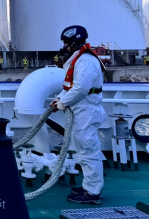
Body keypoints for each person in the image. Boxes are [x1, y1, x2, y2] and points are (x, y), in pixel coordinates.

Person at [50, 25, 106, 205]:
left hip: (87, 110)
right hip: (82, 109)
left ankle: (92, 192)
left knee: (88, 152)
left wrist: (64, 102)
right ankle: (89, 186)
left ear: (73, 42)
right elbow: (73, 86)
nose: (64, 46)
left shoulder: (86, 60)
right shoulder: (80, 58)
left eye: (66, 43)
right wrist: (60, 98)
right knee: (83, 151)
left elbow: (81, 88)